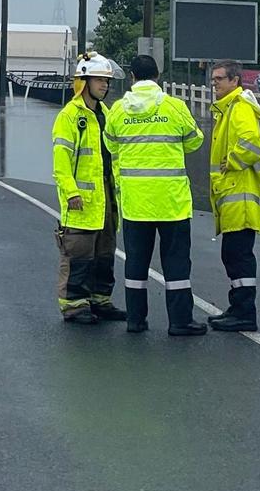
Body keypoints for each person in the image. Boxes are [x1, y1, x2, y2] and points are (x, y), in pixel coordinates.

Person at [104, 54, 205, 336]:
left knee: (136, 263)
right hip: (172, 202)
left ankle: (136, 320)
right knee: (176, 264)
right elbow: (195, 140)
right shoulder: (175, 107)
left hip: (136, 203)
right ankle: (180, 321)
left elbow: (111, 145)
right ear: (158, 77)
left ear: (132, 77)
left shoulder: (118, 110)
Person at [51, 52, 127, 325]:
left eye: (106, 81)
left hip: (106, 198)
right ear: (83, 82)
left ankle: (100, 300)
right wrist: (71, 191)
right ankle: (74, 306)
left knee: (105, 253)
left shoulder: (105, 115)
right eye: (99, 80)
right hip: (80, 200)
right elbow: (61, 161)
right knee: (79, 254)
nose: (105, 86)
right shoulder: (70, 116)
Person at [207, 59, 260, 332]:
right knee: (233, 255)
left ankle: (245, 313)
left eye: (220, 79)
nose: (215, 84)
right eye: (213, 80)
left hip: (241, 195)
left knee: (238, 255)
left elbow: (250, 145)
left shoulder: (240, 107)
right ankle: (238, 308)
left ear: (235, 81)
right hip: (235, 194)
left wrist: (230, 161)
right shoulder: (228, 109)